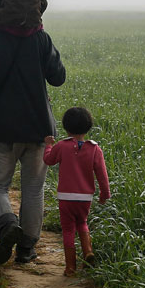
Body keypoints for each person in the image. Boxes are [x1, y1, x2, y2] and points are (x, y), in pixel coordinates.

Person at [0, 0, 66, 266]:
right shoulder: (41, 39)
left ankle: (8, 225)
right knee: (33, 189)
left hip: (1, 129)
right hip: (39, 130)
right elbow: (58, 77)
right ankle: (26, 250)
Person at [44, 107, 110, 277]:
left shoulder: (62, 146)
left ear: (66, 127)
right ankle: (88, 251)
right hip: (85, 198)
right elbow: (102, 175)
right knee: (82, 223)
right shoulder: (95, 149)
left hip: (66, 197)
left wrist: (48, 145)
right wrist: (104, 195)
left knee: (67, 230)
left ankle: (70, 267)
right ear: (88, 127)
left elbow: (49, 160)